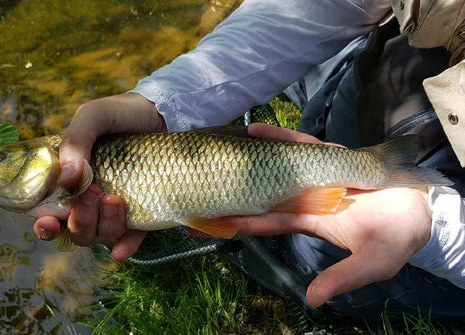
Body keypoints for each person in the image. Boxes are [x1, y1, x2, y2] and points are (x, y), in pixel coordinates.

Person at [33, 0, 465, 318]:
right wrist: (162, 104)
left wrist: (438, 235)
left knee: (316, 253)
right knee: (333, 83)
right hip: (419, 50)